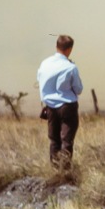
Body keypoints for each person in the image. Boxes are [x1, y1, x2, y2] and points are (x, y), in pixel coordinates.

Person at [37, 34, 83, 169]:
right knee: (67, 140)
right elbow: (79, 89)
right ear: (70, 49)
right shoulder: (70, 67)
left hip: (50, 106)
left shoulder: (44, 63)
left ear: (56, 46)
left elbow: (40, 80)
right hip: (67, 106)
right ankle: (65, 170)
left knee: (54, 140)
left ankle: (55, 169)